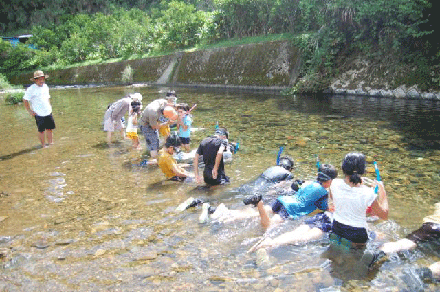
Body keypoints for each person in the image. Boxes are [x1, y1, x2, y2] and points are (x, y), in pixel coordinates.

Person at [245, 163, 338, 229]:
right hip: (290, 209)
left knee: (261, 212)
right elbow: (324, 208)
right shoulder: (323, 193)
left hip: (282, 200)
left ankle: (233, 215)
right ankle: (259, 204)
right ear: (329, 180)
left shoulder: (308, 183)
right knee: (268, 225)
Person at [329, 152, 388, 246]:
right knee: (383, 236)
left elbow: (334, 198)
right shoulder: (368, 192)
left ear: (343, 168)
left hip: (337, 228)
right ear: (363, 170)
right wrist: (383, 192)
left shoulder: (334, 183)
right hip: (357, 235)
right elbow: (384, 215)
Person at [139, 98, 178, 164]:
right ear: (164, 115)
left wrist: (178, 107)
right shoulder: (153, 113)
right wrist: (167, 123)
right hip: (146, 126)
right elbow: (154, 127)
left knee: (155, 141)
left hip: (152, 121)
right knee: (153, 143)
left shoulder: (163, 102)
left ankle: (150, 153)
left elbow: (171, 105)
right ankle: (153, 161)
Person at [23, 70, 56, 148]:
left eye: (42, 78)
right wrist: (29, 111)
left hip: (48, 111)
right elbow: (25, 99)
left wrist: (50, 107)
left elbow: (47, 98)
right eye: (39, 79)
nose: (41, 80)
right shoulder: (31, 89)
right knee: (41, 130)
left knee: (50, 128)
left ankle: (51, 143)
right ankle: (43, 145)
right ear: (35, 80)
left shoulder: (45, 86)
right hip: (38, 113)